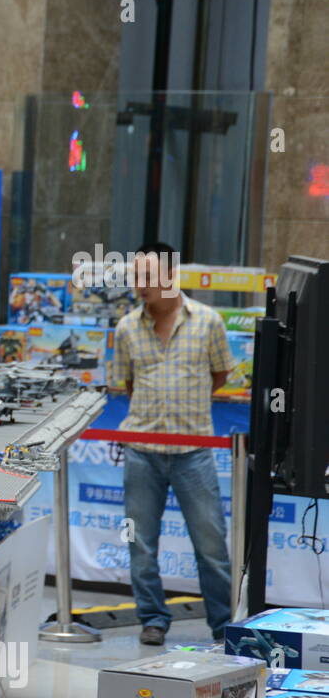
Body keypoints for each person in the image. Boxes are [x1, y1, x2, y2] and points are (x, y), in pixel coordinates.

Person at [111, 242, 235, 647]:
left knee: (211, 545)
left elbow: (220, 375)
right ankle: (152, 618)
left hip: (193, 453)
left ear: (170, 276)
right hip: (141, 452)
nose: (140, 285)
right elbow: (128, 385)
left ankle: (223, 625)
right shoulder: (127, 327)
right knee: (140, 544)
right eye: (136, 277)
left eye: (148, 277)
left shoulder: (209, 321)